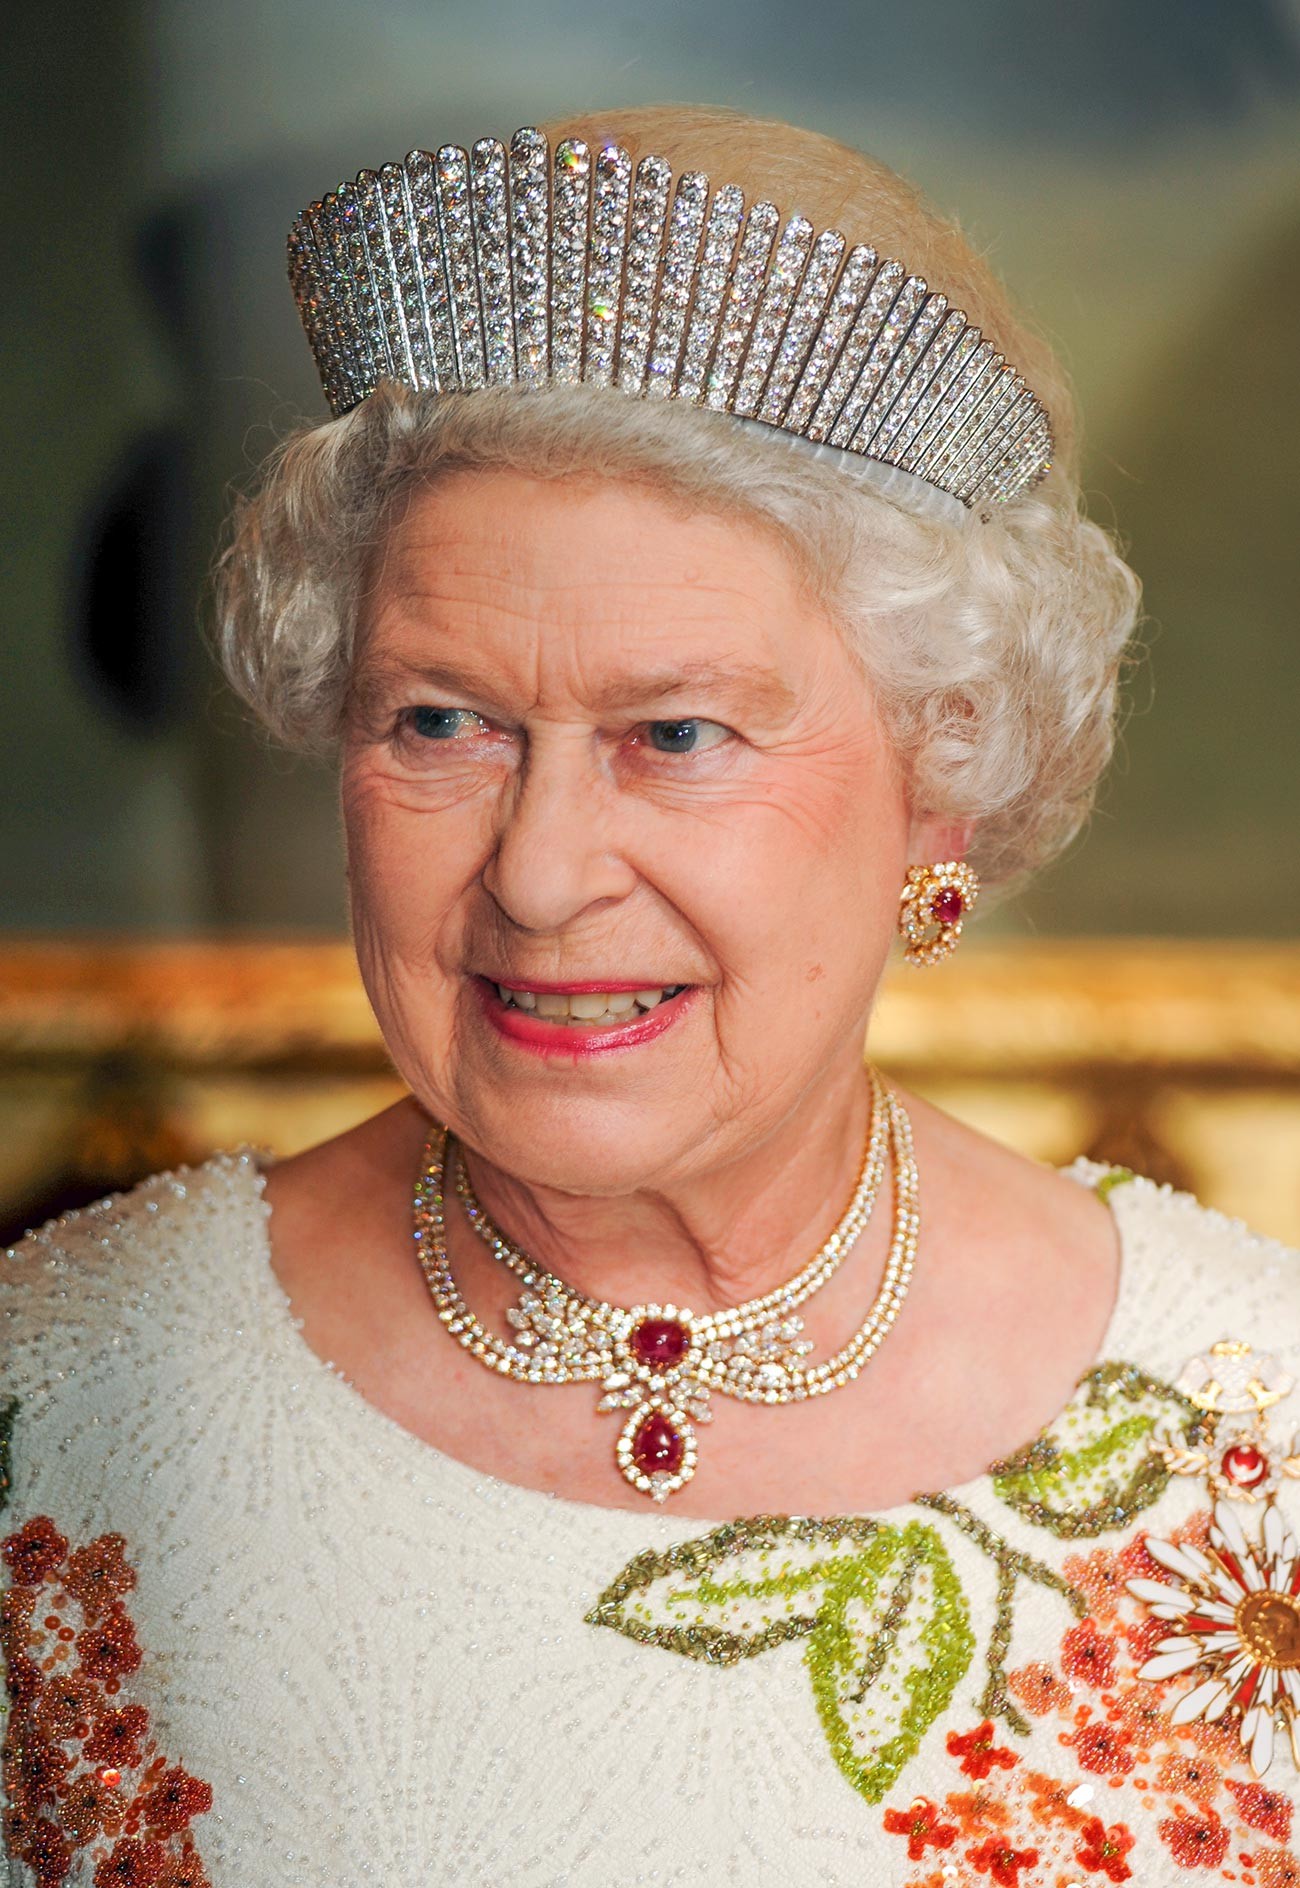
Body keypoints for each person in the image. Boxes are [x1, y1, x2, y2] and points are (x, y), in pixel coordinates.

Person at [2, 103, 1296, 1888]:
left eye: (675, 735)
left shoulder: (1266, 1443)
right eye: (439, 722)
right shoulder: (50, 1409)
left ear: (943, 773)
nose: (538, 874)